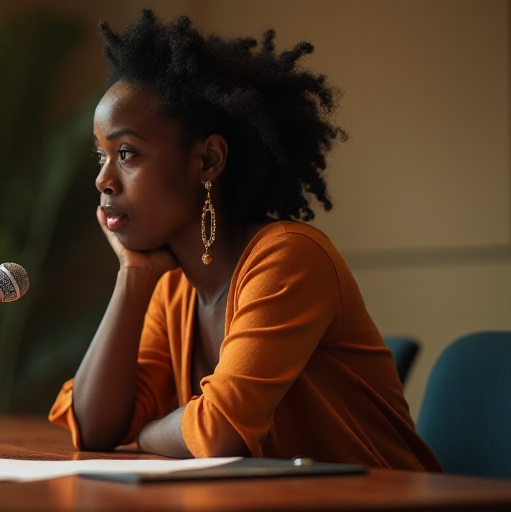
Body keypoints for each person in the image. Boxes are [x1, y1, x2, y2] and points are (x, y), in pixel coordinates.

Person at [48, 9, 441, 471]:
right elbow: (95, 427)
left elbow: (220, 432)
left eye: (127, 153)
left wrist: (147, 434)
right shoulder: (174, 288)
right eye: (101, 156)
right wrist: (133, 276)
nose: (103, 181)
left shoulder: (288, 258)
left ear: (208, 160)